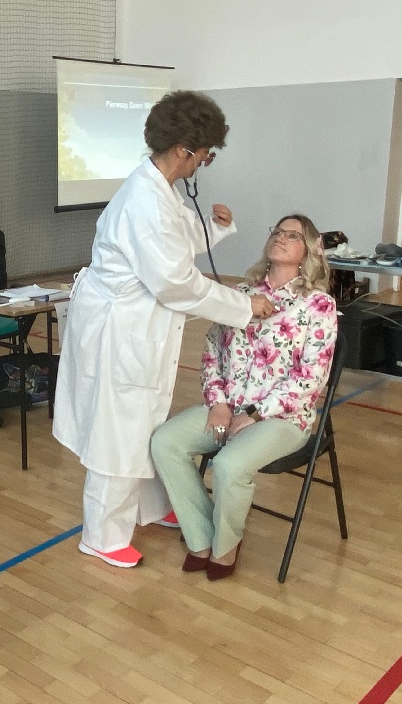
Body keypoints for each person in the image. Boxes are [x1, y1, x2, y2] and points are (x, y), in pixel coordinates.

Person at [53, 91, 277, 568]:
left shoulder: (160, 189)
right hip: (119, 331)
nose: (205, 163)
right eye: (205, 155)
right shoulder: (145, 201)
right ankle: (102, 535)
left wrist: (216, 228)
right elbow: (177, 283)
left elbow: (178, 239)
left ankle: (152, 507)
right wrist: (244, 305)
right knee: (118, 430)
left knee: (147, 423)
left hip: (136, 325)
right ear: (183, 150)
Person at [150, 215, 337, 580]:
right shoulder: (240, 295)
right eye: (277, 231)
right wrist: (219, 403)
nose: (280, 238)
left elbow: (311, 378)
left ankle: (227, 545)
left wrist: (254, 413)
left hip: (282, 419)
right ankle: (200, 536)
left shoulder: (318, 305)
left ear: (308, 251)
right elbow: (211, 351)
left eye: (292, 235)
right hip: (227, 408)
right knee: (165, 442)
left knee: (229, 465)